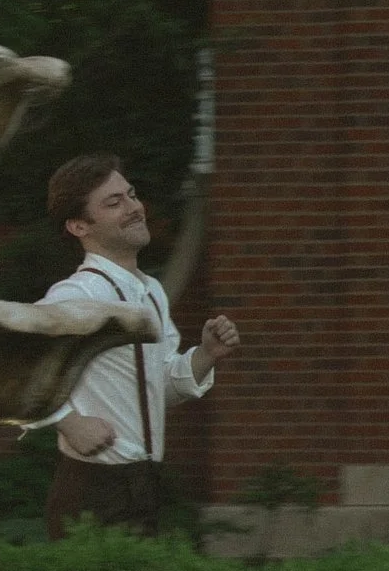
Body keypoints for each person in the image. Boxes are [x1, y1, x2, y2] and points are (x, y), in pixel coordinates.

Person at [30, 152, 240, 539]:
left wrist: (206, 355)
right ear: (79, 225)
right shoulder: (77, 293)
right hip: (93, 484)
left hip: (144, 484)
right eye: (114, 203)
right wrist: (71, 423)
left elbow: (158, 386)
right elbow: (18, 367)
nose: (133, 208)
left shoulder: (151, 291)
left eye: (130, 194)